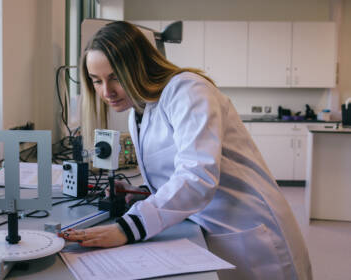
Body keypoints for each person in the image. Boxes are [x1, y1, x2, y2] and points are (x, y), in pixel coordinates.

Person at [59, 21, 312, 280]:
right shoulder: (141, 110)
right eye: (96, 81)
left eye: (115, 77)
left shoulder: (188, 90)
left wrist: (128, 227)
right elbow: (175, 169)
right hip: (208, 225)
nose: (106, 91)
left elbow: (197, 176)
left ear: (138, 65)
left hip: (247, 231)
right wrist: (141, 192)